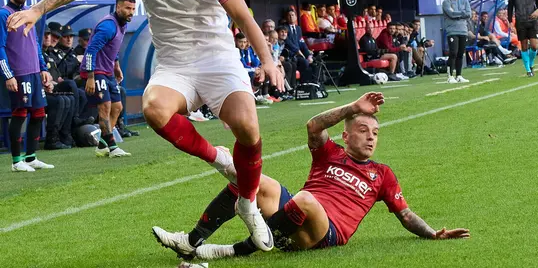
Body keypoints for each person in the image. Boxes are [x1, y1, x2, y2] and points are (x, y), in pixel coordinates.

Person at [6, 0, 281, 251]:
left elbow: (241, 15)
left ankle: (247, 203)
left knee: (248, 127)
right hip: (174, 63)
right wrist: (36, 10)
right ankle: (218, 158)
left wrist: (268, 60)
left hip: (218, 58)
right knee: (154, 110)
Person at [152, 93, 469, 260]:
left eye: (375, 133)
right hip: (294, 214)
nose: (371, 137)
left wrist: (432, 234)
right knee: (249, 179)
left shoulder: (382, 174)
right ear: (346, 135)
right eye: (363, 130)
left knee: (306, 199)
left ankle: (234, 249)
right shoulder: (330, 152)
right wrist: (351, 108)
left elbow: (406, 214)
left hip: (324, 233)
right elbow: (314, 126)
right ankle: (191, 242)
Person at [0, 0, 54, 172]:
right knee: (20, 114)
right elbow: (0, 47)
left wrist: (43, 68)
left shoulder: (30, 12)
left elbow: (35, 44)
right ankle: (16, 161)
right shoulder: (4, 14)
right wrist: (8, 75)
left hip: (34, 72)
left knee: (39, 114)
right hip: (19, 73)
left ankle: (31, 157)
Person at [79, 0, 136, 158]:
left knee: (117, 107)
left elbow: (113, 47)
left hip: (108, 71)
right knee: (105, 107)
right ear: (118, 7)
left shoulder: (123, 24)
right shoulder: (108, 26)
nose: (131, 12)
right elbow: (91, 50)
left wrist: (116, 66)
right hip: (96, 71)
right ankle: (112, 147)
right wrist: (90, 77)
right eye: (127, 8)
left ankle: (102, 146)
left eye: (133, 9)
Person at [508, 0, 538, 77]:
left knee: (534, 45)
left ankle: (531, 64)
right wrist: (510, 21)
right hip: (521, 21)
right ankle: (528, 69)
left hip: (532, 21)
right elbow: (510, 7)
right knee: (523, 45)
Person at [442, 0, 471, 83]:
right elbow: (451, 14)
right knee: (453, 52)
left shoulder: (465, 1)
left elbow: (469, 14)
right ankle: (450, 76)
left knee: (460, 54)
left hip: (463, 30)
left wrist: (457, 14)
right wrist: (462, 13)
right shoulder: (446, 2)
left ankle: (459, 75)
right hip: (452, 30)